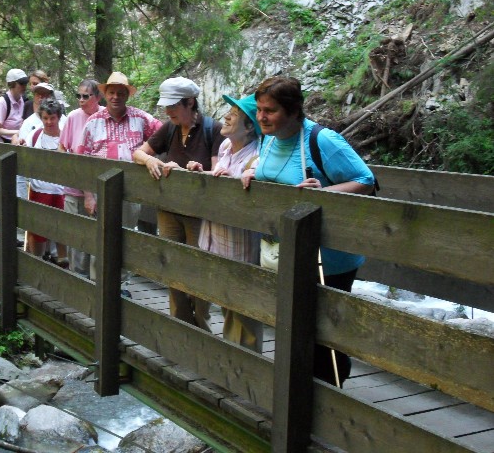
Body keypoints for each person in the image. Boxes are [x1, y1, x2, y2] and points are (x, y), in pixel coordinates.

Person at [241, 76, 375, 385]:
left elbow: (365, 180)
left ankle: (330, 401)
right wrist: (250, 173)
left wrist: (324, 194)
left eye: (270, 111)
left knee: (324, 337)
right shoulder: (269, 138)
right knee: (294, 328)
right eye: (260, 109)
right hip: (286, 253)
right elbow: (271, 170)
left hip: (327, 258)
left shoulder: (322, 140)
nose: (261, 117)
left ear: (293, 111)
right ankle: (299, 396)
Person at [132, 76, 224, 332]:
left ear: (190, 102)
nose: (168, 110)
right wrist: (150, 161)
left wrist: (184, 171)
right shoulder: (169, 128)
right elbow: (138, 152)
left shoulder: (212, 130)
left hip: (199, 213)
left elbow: (218, 173)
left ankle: (201, 326)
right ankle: (180, 327)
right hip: (169, 210)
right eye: (166, 105)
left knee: (197, 267)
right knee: (172, 265)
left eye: (174, 105)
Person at [187, 93, 263, 351]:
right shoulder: (226, 147)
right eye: (229, 110)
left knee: (241, 304)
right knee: (225, 299)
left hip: (239, 239)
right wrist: (204, 172)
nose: (227, 116)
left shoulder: (259, 156)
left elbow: (251, 190)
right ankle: (229, 361)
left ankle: (244, 366)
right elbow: (222, 175)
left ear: (250, 125)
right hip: (215, 233)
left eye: (235, 113)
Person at [77, 71, 162, 279]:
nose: (116, 97)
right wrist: (88, 195)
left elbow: (164, 134)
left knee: (125, 236)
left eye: (120, 93)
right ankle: (99, 282)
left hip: (131, 190)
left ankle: (121, 285)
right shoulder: (93, 122)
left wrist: (151, 157)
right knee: (102, 237)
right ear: (105, 95)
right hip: (101, 190)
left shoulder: (141, 118)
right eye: (112, 92)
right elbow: (81, 162)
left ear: (127, 95)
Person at [58, 79, 105, 276]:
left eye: (86, 96)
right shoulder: (73, 117)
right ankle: (77, 280)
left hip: (100, 187)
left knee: (96, 238)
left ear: (97, 97)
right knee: (76, 236)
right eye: (78, 96)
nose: (81, 100)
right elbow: (62, 146)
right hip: (74, 188)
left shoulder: (105, 116)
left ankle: (96, 283)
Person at [24, 98, 68, 266]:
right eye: (45, 118)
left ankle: (63, 261)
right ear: (40, 118)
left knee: (61, 228)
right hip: (38, 189)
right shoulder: (34, 136)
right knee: (38, 228)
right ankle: (37, 262)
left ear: (58, 117)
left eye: (52, 118)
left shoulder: (65, 136)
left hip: (61, 190)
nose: (49, 122)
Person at [0, 68, 30, 239]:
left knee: (13, 193)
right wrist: (15, 132)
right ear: (12, 84)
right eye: (22, 83)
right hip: (1, 149)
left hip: (15, 150)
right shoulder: (2, 102)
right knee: (3, 192)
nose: (24, 86)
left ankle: (7, 234)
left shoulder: (22, 101)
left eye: (25, 83)